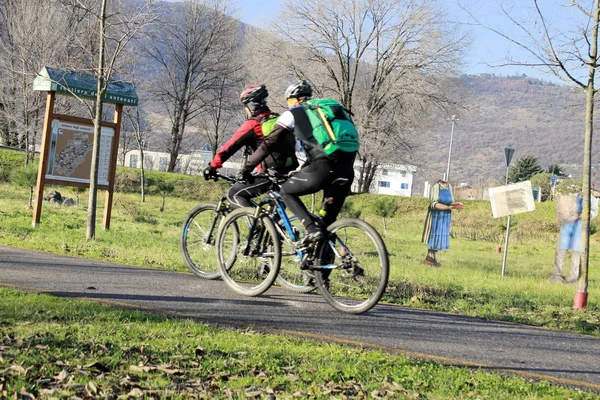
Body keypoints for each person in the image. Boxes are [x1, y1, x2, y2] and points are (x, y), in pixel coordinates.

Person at [239, 80, 358, 244]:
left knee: (286, 192)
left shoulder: (293, 113)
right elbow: (316, 149)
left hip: (323, 168)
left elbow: (268, 144)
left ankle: (310, 228)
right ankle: (325, 264)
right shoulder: (323, 113)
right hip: (346, 171)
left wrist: (247, 168)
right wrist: (303, 168)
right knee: (327, 225)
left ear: (293, 99)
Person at [203, 84, 298, 207]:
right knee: (274, 211)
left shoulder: (253, 124)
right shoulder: (278, 119)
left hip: (268, 174)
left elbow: (230, 147)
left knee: (234, 195)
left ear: (251, 106)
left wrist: (212, 166)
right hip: (287, 172)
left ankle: (258, 223)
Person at [548, 192, 598, 284]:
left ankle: (573, 278)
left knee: (576, 254)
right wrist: (560, 213)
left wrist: (581, 215)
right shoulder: (572, 196)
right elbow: (562, 208)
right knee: (560, 253)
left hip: (580, 229)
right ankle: (557, 277)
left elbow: (594, 212)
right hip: (567, 227)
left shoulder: (592, 199)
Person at [421, 179, 462, 267]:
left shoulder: (449, 186)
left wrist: (456, 205)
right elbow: (434, 203)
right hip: (436, 215)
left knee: (440, 235)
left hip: (446, 216)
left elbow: (450, 202)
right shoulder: (436, 187)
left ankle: (431, 257)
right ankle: (433, 258)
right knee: (434, 235)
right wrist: (446, 207)